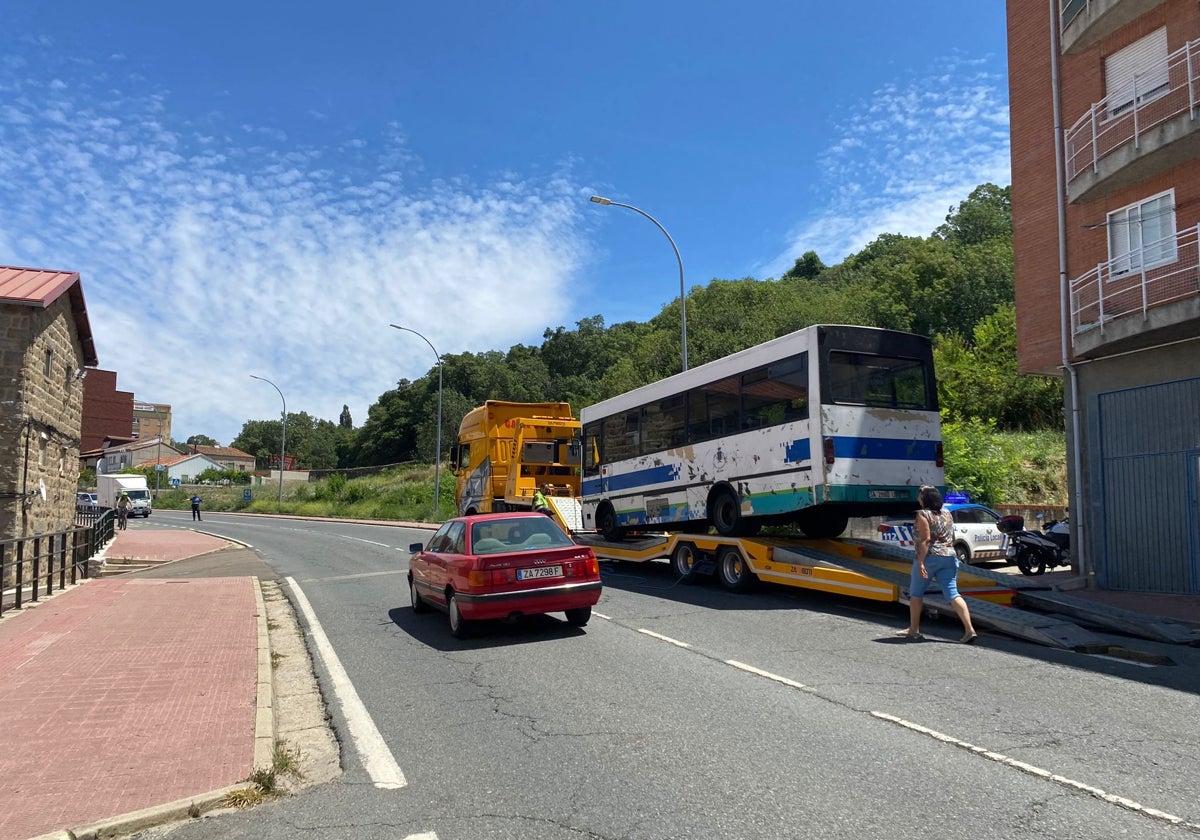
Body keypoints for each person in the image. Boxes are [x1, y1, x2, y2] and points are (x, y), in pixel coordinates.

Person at [897, 485, 978, 644]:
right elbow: (953, 537)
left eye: (920, 494)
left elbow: (925, 539)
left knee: (916, 594)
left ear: (924, 498)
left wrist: (921, 562)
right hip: (950, 556)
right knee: (953, 594)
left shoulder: (922, 514)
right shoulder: (947, 513)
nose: (918, 497)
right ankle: (969, 630)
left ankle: (914, 629)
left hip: (930, 557)